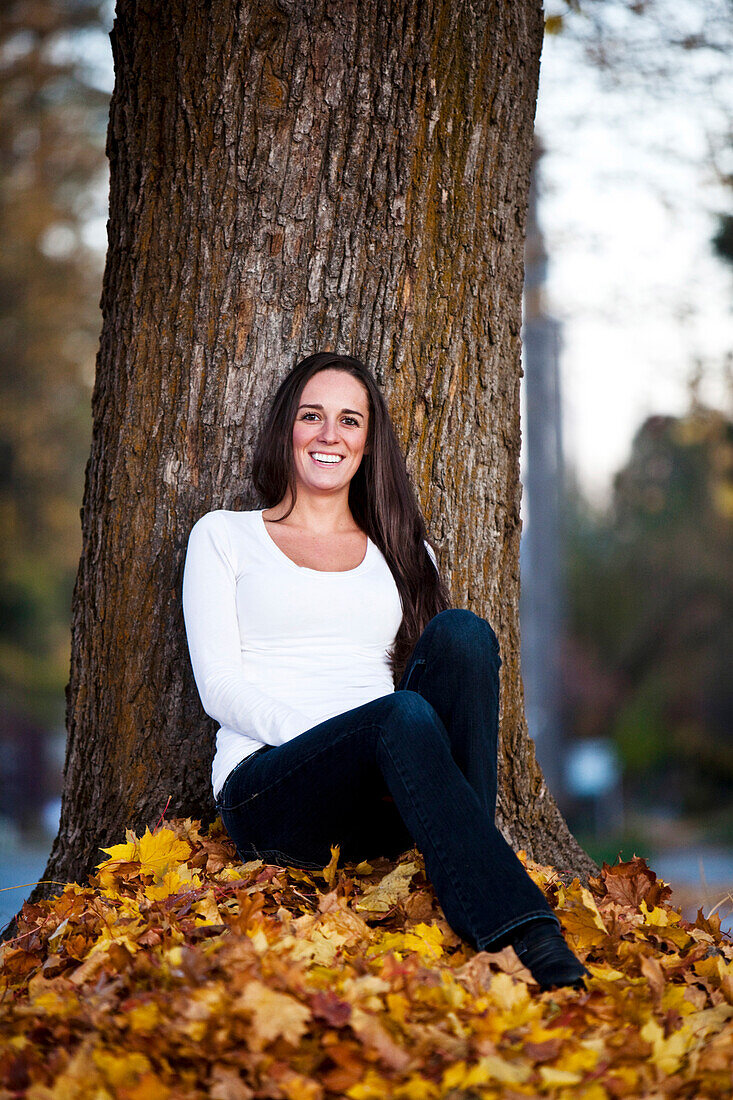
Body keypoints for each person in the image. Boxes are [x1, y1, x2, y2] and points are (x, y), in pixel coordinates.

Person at [182, 351, 588, 991]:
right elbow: (220, 689)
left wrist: (380, 740)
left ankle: (463, 857)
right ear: (286, 426)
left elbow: (435, 693)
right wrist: (341, 735)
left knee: (463, 634)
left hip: (380, 787)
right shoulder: (225, 537)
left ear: (368, 444)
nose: (328, 435)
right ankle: (527, 932)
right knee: (396, 714)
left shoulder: (401, 550)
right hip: (272, 790)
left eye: (349, 421)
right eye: (312, 416)